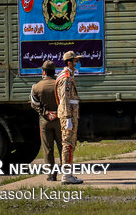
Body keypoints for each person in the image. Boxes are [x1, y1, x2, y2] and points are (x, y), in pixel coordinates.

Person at [30, 60, 62, 181]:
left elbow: (34, 104)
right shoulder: (59, 85)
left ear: (43, 71)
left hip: (45, 121)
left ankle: (51, 175)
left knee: (48, 148)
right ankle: (66, 174)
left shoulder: (36, 86)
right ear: (54, 72)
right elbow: (64, 101)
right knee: (62, 147)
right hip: (59, 120)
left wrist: (46, 113)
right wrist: (57, 112)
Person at [55, 51, 84, 184]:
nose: (76, 63)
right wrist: (67, 118)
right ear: (69, 62)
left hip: (71, 114)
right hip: (69, 115)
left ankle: (69, 173)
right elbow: (64, 98)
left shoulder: (68, 75)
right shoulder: (65, 78)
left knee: (71, 144)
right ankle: (66, 175)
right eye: (74, 61)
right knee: (68, 144)